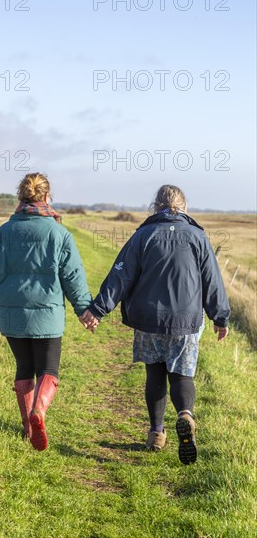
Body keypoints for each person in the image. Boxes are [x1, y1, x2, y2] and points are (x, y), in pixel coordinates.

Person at [80, 185, 230, 465]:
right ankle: (185, 414)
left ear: (156, 205)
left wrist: (97, 310)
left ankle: (156, 434)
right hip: (185, 322)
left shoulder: (143, 236)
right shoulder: (198, 237)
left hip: (148, 320)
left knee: (155, 375)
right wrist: (220, 317)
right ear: (184, 206)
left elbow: (120, 276)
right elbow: (213, 281)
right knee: (182, 375)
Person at [0, 173, 91, 451]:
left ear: (21, 197)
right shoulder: (59, 234)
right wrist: (84, 310)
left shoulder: (2, 233)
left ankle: (28, 428)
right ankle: (38, 413)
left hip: (12, 315)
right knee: (48, 369)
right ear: (47, 197)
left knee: (24, 367)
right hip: (47, 315)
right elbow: (73, 276)